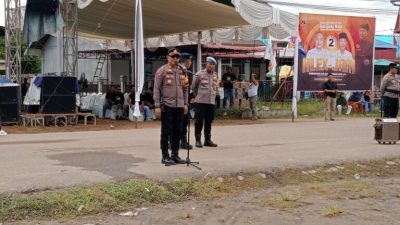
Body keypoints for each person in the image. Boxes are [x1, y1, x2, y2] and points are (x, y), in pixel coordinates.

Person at [153, 48, 188, 165]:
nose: (176, 59)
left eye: (177, 57)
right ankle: (165, 156)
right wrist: (157, 106)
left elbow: (185, 89)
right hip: (167, 106)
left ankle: (175, 154)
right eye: (173, 56)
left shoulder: (182, 71)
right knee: (166, 132)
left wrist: (185, 103)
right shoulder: (161, 71)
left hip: (179, 106)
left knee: (177, 131)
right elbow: (157, 89)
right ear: (168, 57)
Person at [191, 56, 218, 148]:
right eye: (210, 64)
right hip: (201, 102)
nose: (212, 66)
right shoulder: (199, 74)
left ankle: (207, 140)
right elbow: (193, 87)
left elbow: (215, 87)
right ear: (206, 64)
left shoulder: (215, 75)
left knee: (209, 121)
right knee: (199, 121)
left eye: (213, 64)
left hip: (211, 102)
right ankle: (198, 140)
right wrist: (198, 96)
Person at [179, 53, 194, 150]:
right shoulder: (177, 71)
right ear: (185, 61)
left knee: (184, 122)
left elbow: (188, 87)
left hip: (185, 101)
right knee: (175, 123)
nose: (191, 63)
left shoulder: (187, 72)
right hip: (176, 101)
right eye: (190, 61)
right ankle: (170, 141)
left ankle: (183, 141)